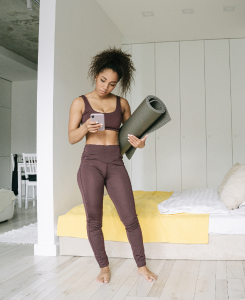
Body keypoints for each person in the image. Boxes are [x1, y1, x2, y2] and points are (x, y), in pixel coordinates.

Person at [68, 47, 157, 284]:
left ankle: (142, 266)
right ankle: (103, 267)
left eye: (111, 84)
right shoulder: (80, 102)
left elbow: (131, 136)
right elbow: (71, 137)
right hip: (91, 163)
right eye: (102, 80)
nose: (105, 87)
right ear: (96, 74)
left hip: (115, 162)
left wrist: (139, 144)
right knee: (94, 219)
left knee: (130, 218)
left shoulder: (122, 103)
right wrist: (85, 128)